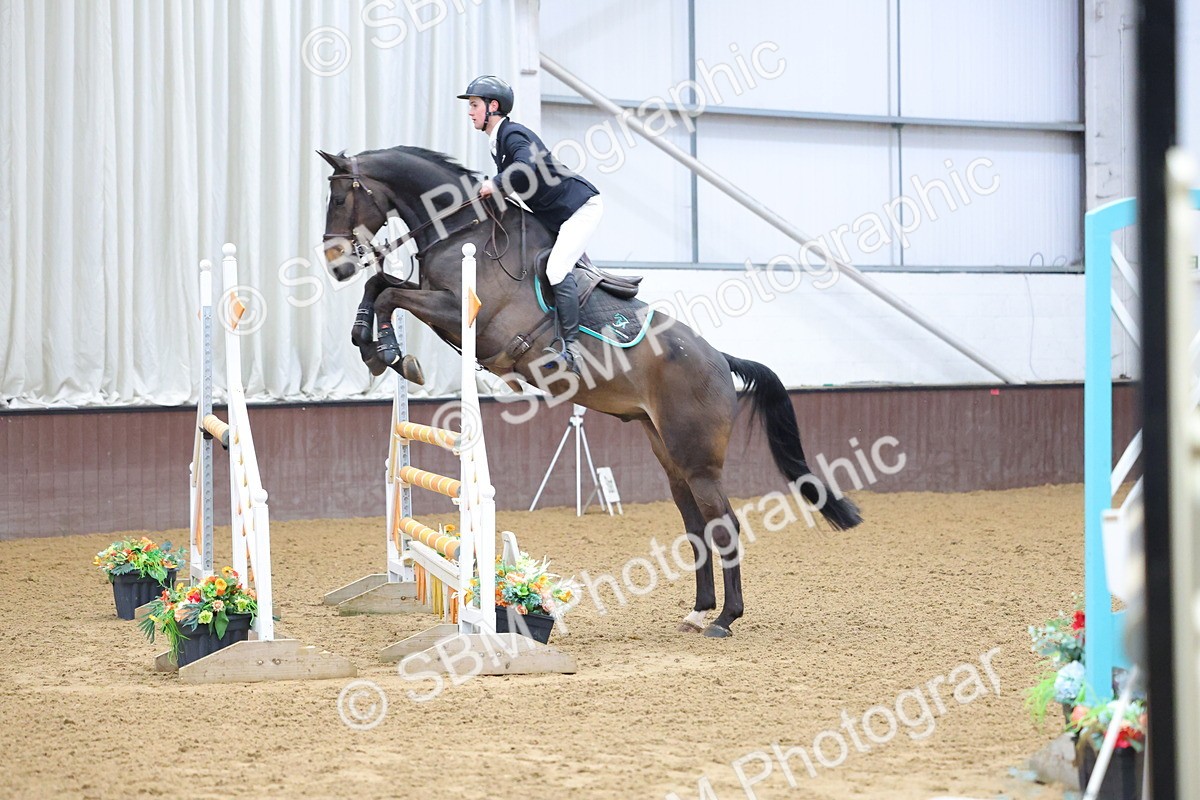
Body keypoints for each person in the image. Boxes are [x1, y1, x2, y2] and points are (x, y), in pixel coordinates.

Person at [458, 75, 603, 374]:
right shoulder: (497, 142)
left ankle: (573, 350)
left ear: (492, 106)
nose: (470, 112)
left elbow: (526, 166)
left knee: (556, 269)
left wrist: (496, 183)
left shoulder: (512, 134)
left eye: (474, 105)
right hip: (556, 213)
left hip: (580, 209)